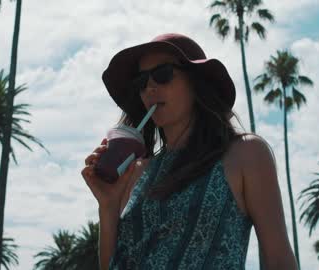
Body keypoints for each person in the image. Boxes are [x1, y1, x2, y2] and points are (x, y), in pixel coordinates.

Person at [81, 33, 298, 270]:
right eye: (141, 82)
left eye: (162, 74)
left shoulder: (245, 154)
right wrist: (108, 206)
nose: (150, 87)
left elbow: (278, 260)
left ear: (196, 81)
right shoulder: (135, 171)